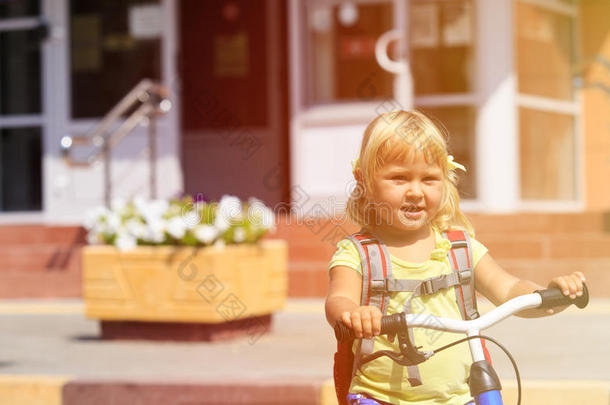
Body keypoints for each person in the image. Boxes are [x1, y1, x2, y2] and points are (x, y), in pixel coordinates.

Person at [325, 110, 586, 405]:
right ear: (364, 180)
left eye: (429, 179)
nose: (415, 191)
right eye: (399, 178)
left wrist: (549, 295)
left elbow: (509, 290)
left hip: (462, 397)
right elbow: (338, 300)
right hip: (383, 397)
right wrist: (353, 314)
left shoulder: (460, 248)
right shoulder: (358, 252)